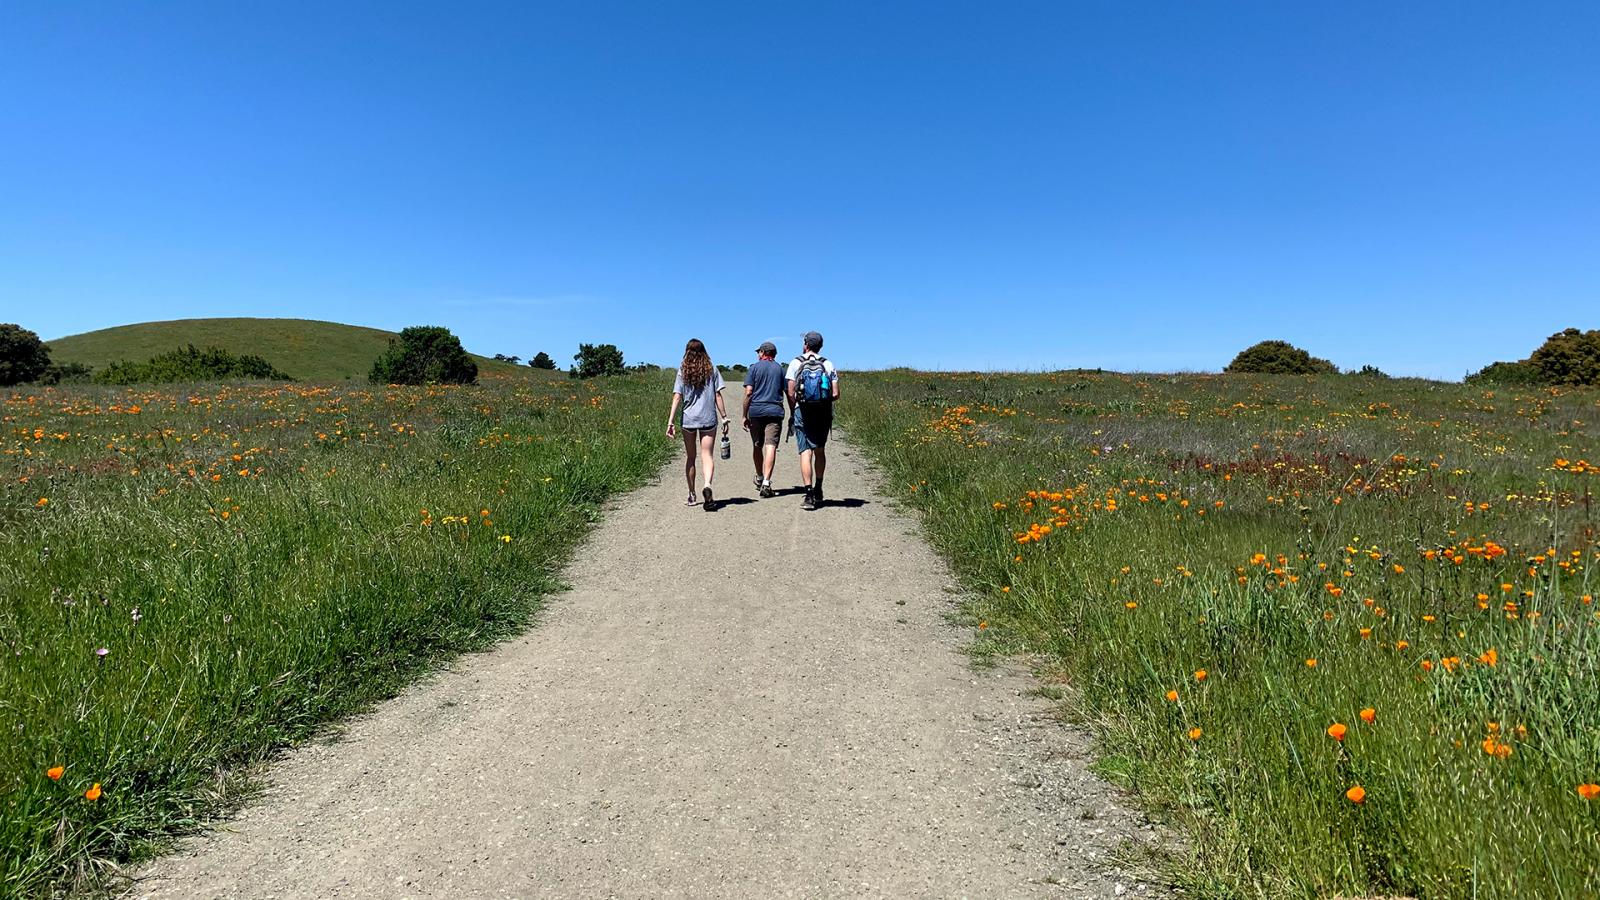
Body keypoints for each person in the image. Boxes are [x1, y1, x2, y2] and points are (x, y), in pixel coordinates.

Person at [666, 338, 729, 511]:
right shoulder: (712, 369)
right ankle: (707, 485)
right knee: (707, 455)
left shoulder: (683, 371)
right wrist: (724, 417)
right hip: (708, 418)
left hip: (688, 420)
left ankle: (692, 494)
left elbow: (677, 396)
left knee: (691, 457)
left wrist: (670, 421)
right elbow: (717, 395)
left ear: (687, 351)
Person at [785, 330, 840, 511]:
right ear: (820, 346)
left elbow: (791, 392)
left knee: (805, 452)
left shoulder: (795, 363)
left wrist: (795, 408)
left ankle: (808, 495)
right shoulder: (828, 364)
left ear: (805, 345)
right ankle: (819, 487)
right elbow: (835, 393)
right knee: (820, 450)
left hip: (803, 411)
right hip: (823, 413)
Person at [742, 341, 786, 497]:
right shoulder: (780, 369)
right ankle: (767, 482)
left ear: (762, 353)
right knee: (771, 446)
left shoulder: (753, 368)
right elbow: (788, 392)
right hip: (775, 411)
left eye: (758, 352)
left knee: (757, 445)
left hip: (756, 411)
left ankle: (760, 477)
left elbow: (748, 393)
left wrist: (744, 415)